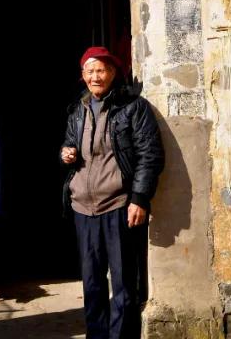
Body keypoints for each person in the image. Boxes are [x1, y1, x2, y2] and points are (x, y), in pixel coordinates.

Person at [61, 46, 164, 339]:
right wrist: (66, 152)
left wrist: (139, 198)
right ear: (83, 76)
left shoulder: (133, 107)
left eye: (101, 70)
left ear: (113, 73)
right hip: (83, 207)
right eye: (90, 71)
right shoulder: (77, 109)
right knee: (92, 284)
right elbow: (70, 142)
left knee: (123, 283)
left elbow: (150, 155)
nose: (96, 76)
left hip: (119, 205)